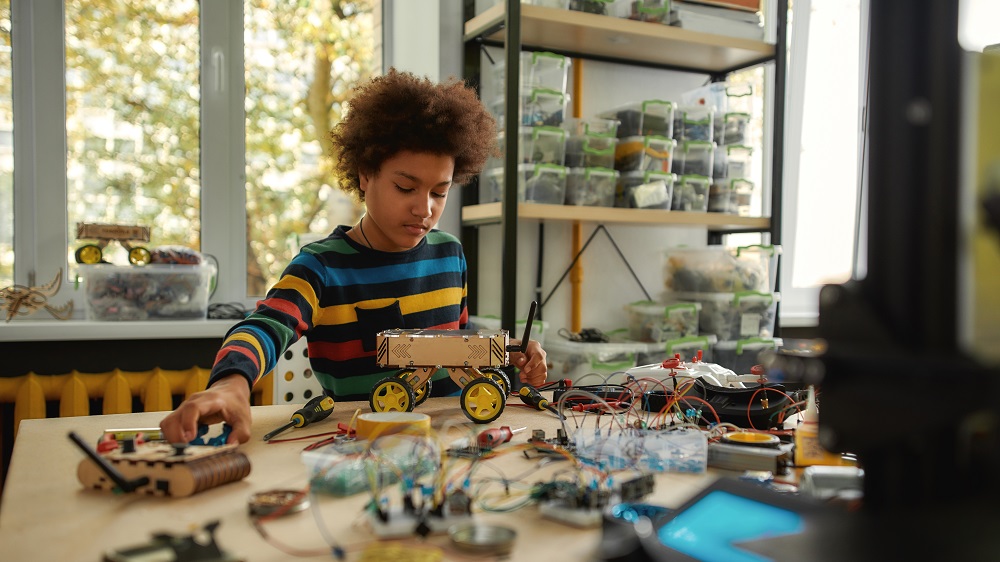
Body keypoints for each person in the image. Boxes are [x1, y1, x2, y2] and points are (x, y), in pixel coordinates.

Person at [160, 69, 547, 445]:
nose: (424, 208)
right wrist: (231, 384)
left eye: (439, 192)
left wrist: (513, 356)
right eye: (405, 187)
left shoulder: (450, 253)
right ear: (365, 175)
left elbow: (456, 342)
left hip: (449, 442)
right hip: (362, 446)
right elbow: (264, 326)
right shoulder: (322, 266)